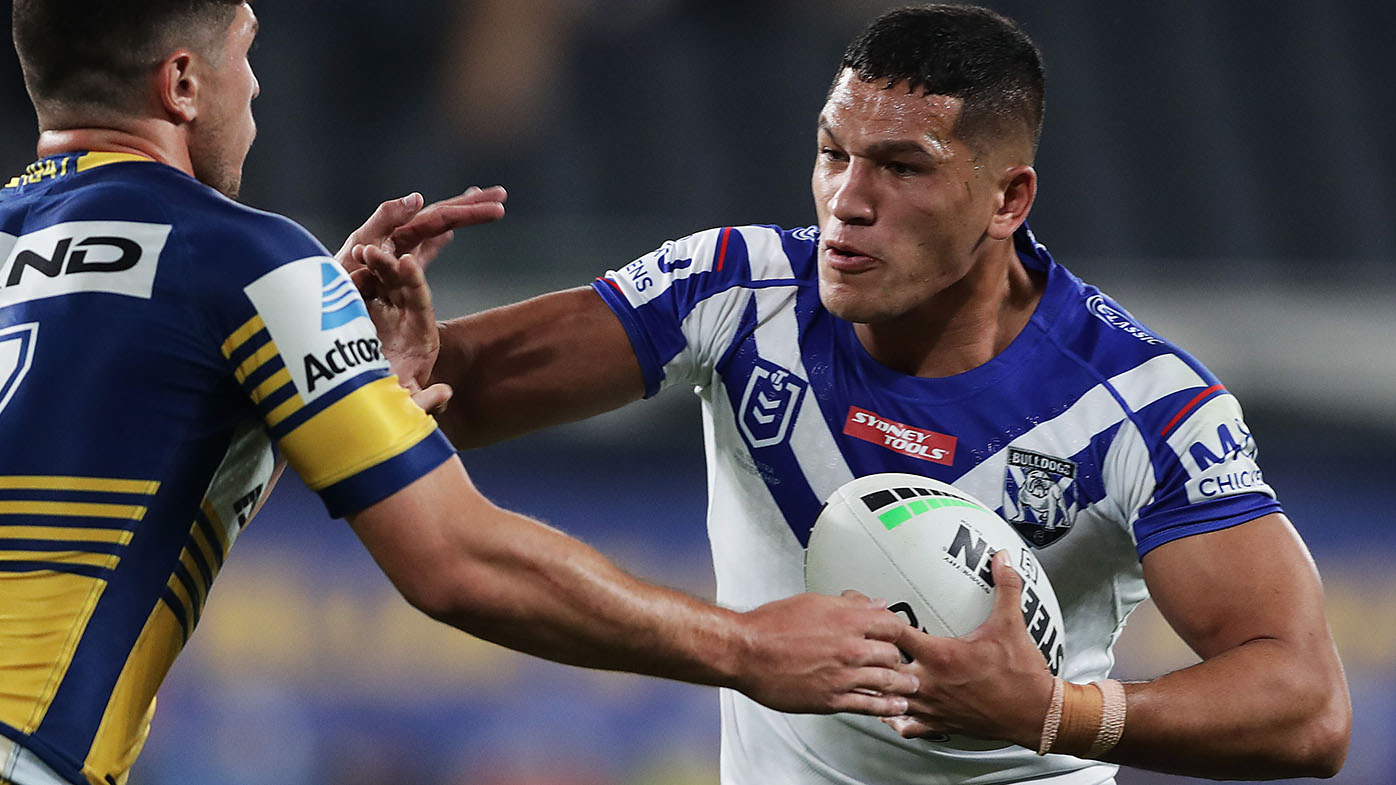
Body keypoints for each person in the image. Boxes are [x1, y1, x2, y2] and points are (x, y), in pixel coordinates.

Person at [368, 4, 1353, 783]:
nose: (847, 200)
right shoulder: (736, 288)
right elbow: (451, 391)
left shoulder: (1142, 406)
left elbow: (1307, 707)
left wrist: (1054, 712)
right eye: (833, 153)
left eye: (902, 167)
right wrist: (375, 360)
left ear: (1008, 198)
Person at [0, 3, 923, 785]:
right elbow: (455, 563)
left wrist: (317, 374)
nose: (256, 86)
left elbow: (124, 456)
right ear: (181, 83)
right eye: (244, 53)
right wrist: (748, 646)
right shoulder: (241, 257)